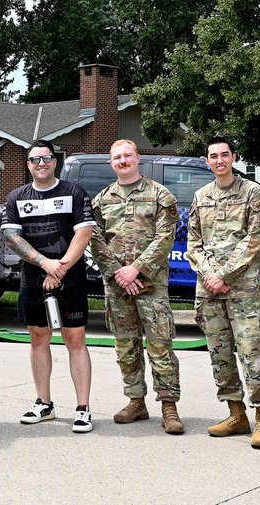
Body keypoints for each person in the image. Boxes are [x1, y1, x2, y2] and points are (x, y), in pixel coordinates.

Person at [187, 136, 260, 449]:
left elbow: (255, 240)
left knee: (252, 353)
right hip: (210, 292)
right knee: (219, 355)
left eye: (225, 154)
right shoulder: (200, 196)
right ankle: (236, 414)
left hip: (244, 291)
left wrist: (224, 274)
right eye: (214, 156)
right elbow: (193, 244)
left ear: (233, 157)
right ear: (207, 161)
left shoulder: (252, 192)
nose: (220, 160)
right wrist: (210, 275)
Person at [2, 139, 96, 433]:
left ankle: (82, 408)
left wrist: (60, 267)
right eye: (34, 160)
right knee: (38, 340)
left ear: (55, 161)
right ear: (28, 165)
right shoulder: (16, 197)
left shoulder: (74, 192)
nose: (40, 164)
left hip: (72, 278)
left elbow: (84, 233)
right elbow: (13, 238)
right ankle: (44, 403)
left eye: (46, 158)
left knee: (75, 341)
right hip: (34, 280)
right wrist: (46, 264)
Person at [90, 140, 184, 434]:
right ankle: (135, 401)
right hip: (118, 286)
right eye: (117, 157)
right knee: (125, 347)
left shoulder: (160, 195)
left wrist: (136, 270)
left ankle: (169, 406)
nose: (122, 160)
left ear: (137, 158)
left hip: (151, 284)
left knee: (160, 346)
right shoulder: (101, 200)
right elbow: (95, 241)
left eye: (127, 155)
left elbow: (165, 237)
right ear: (111, 163)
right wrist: (119, 273)